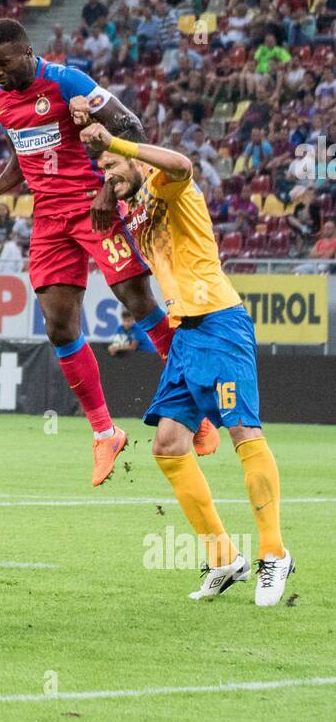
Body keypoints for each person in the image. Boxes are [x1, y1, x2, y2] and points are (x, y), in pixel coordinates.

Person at [0, 18, 217, 487]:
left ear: (27, 52)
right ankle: (105, 432)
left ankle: (193, 406)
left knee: (136, 300)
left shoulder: (67, 81)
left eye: (3, 63)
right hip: (48, 219)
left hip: (93, 206)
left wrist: (108, 189)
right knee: (59, 327)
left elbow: (130, 126)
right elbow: (25, 154)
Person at [81, 120, 293, 606]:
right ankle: (224, 558)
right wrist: (108, 189)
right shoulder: (131, 205)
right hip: (186, 335)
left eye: (113, 167)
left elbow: (182, 163)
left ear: (134, 160)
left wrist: (115, 144)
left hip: (220, 321)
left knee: (244, 432)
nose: (108, 175)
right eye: (103, 171)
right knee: (168, 445)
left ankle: (274, 553)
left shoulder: (164, 181)